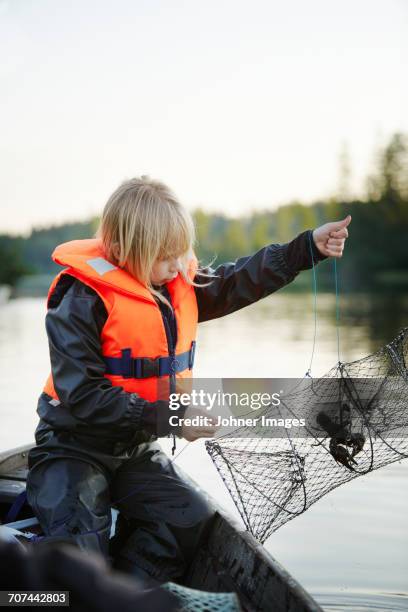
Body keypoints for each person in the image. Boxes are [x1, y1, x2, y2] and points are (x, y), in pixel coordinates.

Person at [26, 176, 350, 584]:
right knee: (79, 560)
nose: (179, 267)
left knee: (190, 522)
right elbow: (84, 395)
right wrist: (172, 417)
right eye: (166, 257)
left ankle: (130, 595)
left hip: (134, 447)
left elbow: (237, 281)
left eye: (181, 255)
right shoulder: (79, 297)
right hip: (73, 448)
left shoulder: (173, 281)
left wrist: (306, 249)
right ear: (128, 251)